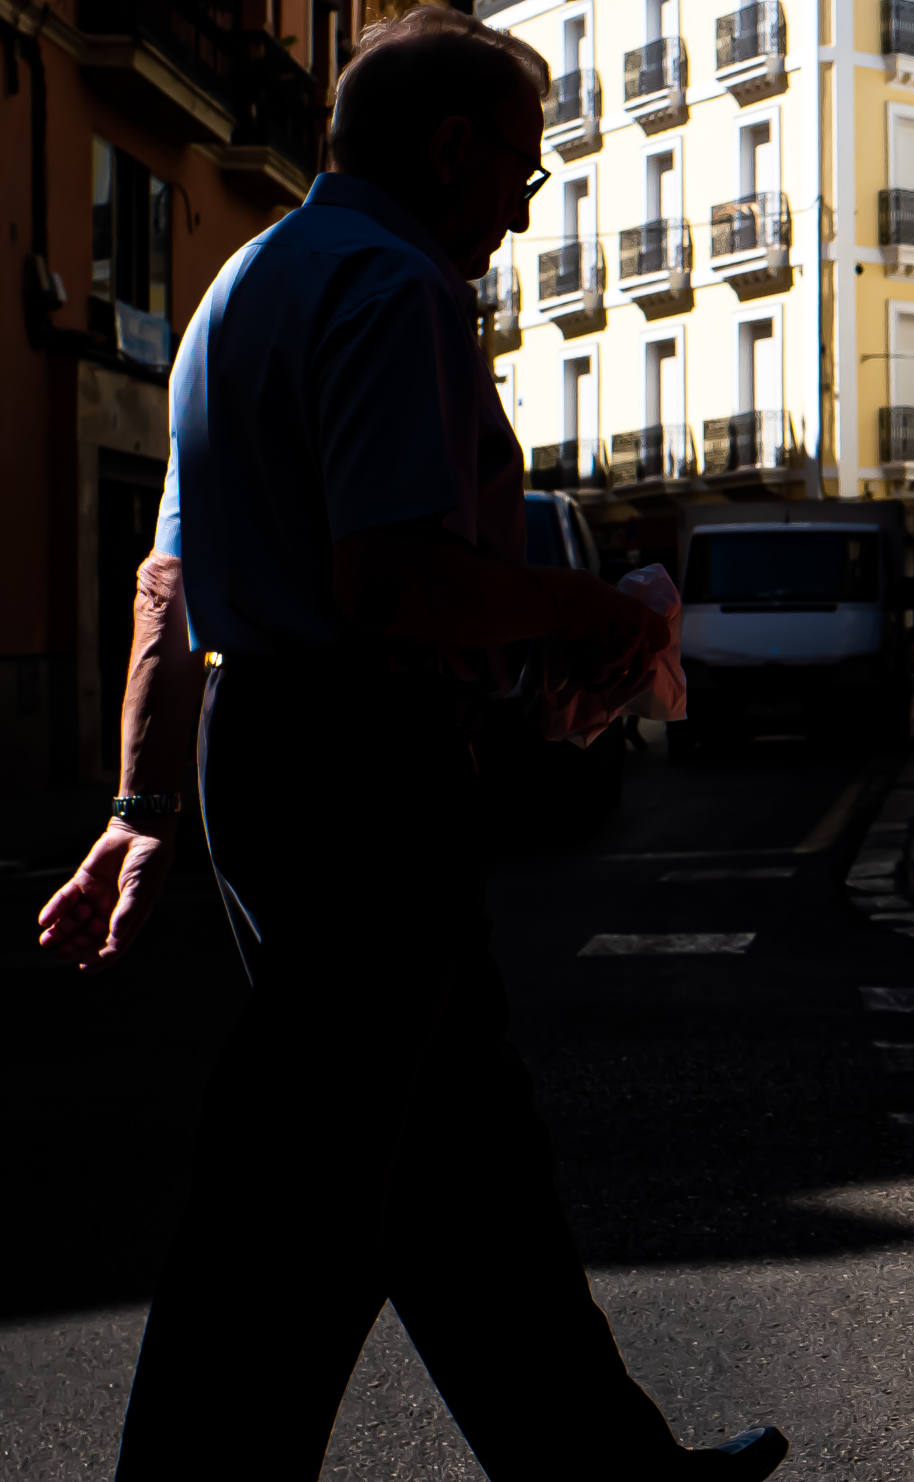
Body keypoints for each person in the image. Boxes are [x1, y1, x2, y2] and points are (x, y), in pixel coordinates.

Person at [33, 10, 786, 1478]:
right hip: (366, 762)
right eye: (521, 165)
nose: (523, 202)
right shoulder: (401, 288)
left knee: (459, 1162)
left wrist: (140, 799)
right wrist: (589, 609)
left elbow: (171, 581)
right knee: (298, 1190)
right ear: (451, 152)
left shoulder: (242, 286)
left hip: (265, 756)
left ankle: (603, 1468)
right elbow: (392, 577)